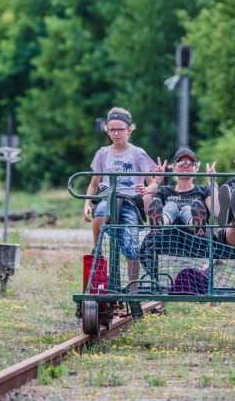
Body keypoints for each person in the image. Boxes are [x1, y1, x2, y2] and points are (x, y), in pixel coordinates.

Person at [83, 107, 158, 318]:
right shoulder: (102, 154)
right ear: (108, 130)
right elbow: (93, 184)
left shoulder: (137, 153)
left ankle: (133, 290)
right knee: (101, 213)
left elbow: (153, 182)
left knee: (131, 245)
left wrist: (148, 190)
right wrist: (87, 203)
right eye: (112, 129)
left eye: (121, 129)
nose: (116, 133)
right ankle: (97, 248)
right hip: (109, 198)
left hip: (130, 202)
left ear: (129, 130)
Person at [140, 148, 217, 238]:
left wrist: (212, 183)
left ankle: (196, 224)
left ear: (196, 168)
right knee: (171, 207)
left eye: (190, 163)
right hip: (168, 239)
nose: (185, 166)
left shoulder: (203, 191)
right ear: (173, 168)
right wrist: (156, 183)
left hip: (195, 241)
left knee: (189, 209)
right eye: (181, 163)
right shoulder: (163, 191)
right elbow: (144, 208)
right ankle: (160, 223)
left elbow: (216, 211)